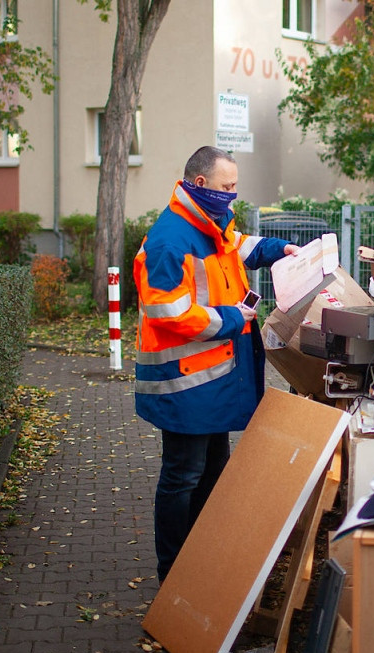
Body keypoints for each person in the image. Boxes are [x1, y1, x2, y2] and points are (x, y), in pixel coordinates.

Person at [133, 146, 298, 582]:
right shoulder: (171, 239)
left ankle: (200, 558)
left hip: (211, 380)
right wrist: (230, 318)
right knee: (183, 477)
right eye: (228, 187)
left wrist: (281, 249)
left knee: (211, 473)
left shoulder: (209, 224)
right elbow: (165, 312)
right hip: (183, 384)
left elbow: (238, 249)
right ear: (200, 184)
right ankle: (173, 571)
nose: (233, 195)